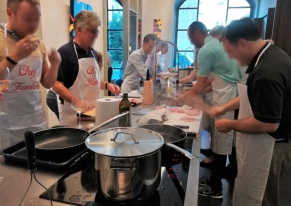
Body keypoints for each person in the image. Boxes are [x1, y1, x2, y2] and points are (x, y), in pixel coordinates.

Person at [211, 18, 291, 206]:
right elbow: (253, 96)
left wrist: (229, 124)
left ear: (243, 43)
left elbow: (268, 123)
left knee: (262, 197)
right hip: (267, 143)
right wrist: (224, 108)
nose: (231, 58)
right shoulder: (268, 56)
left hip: (272, 147)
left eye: (230, 52)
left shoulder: (267, 72)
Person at [171, 21, 242, 199]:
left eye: (190, 35)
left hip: (226, 96)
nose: (189, 39)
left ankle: (215, 188)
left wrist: (182, 98)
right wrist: (191, 94)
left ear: (197, 33)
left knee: (221, 144)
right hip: (228, 94)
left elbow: (201, 84)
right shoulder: (215, 45)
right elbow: (210, 83)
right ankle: (213, 180)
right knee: (222, 142)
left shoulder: (206, 50)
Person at [0, 0, 61, 147]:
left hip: (36, 121)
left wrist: (55, 65)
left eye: (37, 18)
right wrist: (14, 57)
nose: (34, 25)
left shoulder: (38, 44)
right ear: (10, 13)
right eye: (28, 19)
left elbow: (47, 82)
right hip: (6, 127)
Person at [52, 10, 120, 126]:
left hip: (93, 113)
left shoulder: (93, 53)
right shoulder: (64, 52)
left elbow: (92, 80)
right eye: (93, 31)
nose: (96, 35)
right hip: (73, 116)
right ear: (79, 29)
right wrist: (77, 101)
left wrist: (107, 85)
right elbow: (56, 85)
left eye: (96, 31)